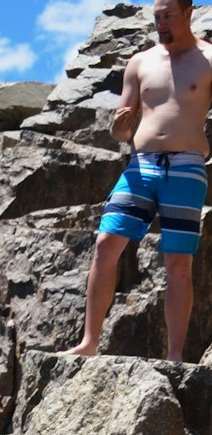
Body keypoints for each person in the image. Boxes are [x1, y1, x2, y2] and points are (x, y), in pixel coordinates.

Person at [68, 0, 212, 362]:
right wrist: (119, 128)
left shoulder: (209, 58)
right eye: (156, 17)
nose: (160, 24)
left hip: (186, 166)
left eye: (167, 16)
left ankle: (175, 355)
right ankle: (89, 343)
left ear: (187, 13)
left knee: (178, 263)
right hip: (141, 164)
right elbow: (122, 127)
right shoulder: (140, 62)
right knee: (105, 244)